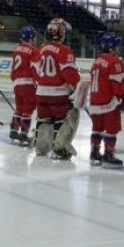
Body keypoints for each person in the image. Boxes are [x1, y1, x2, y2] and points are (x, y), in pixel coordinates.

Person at [34, 18, 80, 159]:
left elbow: (35, 71)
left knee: (44, 119)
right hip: (58, 94)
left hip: (41, 92)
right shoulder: (65, 50)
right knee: (68, 116)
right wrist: (75, 88)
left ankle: (41, 147)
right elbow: (70, 75)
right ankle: (60, 148)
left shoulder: (41, 49)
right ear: (62, 33)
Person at [89, 32, 124, 168]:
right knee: (112, 129)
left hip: (95, 101)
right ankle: (108, 154)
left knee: (97, 128)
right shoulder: (115, 62)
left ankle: (94, 152)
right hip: (109, 102)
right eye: (117, 46)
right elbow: (118, 87)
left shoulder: (97, 61)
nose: (118, 49)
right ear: (112, 47)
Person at [9, 25, 40, 146]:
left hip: (17, 84)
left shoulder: (16, 49)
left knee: (19, 109)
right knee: (27, 110)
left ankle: (13, 130)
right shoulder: (33, 51)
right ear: (31, 38)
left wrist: (14, 78)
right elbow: (34, 68)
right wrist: (38, 81)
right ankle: (23, 134)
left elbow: (13, 68)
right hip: (28, 84)